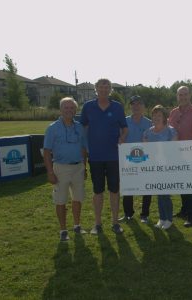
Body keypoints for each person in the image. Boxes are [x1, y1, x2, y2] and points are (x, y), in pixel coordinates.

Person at [80, 78, 128, 234]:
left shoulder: (117, 107)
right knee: (98, 191)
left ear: (110, 90)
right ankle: (98, 223)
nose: (104, 90)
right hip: (95, 157)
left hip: (114, 156)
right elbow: (82, 128)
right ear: (96, 89)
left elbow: (124, 128)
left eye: (107, 87)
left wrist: (122, 138)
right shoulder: (88, 107)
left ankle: (115, 222)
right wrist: (84, 149)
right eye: (101, 87)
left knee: (114, 190)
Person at [43, 97, 87, 241]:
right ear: (61, 110)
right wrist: (50, 172)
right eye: (66, 108)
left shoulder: (79, 127)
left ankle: (77, 225)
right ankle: (63, 230)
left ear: (75, 110)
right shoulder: (52, 128)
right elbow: (47, 152)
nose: (69, 110)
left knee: (77, 198)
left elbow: (83, 149)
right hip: (60, 168)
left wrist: (84, 167)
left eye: (71, 108)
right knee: (60, 200)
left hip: (78, 168)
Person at [168, 86, 192, 227]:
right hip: (177, 155)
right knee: (182, 184)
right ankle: (184, 210)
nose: (183, 97)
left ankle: (191, 215)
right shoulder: (173, 112)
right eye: (180, 95)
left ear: (190, 95)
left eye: (185, 94)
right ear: (177, 96)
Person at [119, 95, 152, 224]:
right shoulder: (124, 121)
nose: (136, 106)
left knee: (146, 188)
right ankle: (128, 213)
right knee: (128, 188)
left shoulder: (149, 123)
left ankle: (144, 214)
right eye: (134, 104)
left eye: (139, 104)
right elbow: (119, 138)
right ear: (130, 106)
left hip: (145, 159)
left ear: (143, 106)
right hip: (128, 160)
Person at [143, 105, 178, 230]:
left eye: (159, 115)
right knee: (159, 193)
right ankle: (162, 218)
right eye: (154, 115)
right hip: (154, 168)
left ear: (164, 117)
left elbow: (174, 148)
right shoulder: (147, 132)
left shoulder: (171, 131)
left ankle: (169, 219)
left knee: (165, 194)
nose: (156, 118)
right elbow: (145, 150)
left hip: (167, 167)